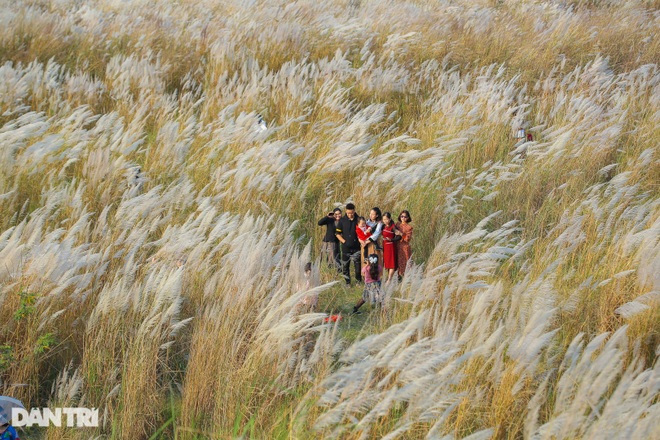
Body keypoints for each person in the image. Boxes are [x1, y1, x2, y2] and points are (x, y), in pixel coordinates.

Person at [335, 203, 362, 285]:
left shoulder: (358, 219)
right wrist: (344, 242)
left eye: (352, 213)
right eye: (348, 213)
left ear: (354, 211)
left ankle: (358, 281)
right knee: (345, 266)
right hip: (346, 248)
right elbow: (337, 234)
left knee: (357, 267)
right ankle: (348, 282)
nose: (350, 215)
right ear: (346, 211)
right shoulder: (342, 221)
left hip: (356, 247)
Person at [381, 212, 400, 283]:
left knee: (391, 263)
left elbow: (399, 236)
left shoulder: (393, 227)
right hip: (385, 246)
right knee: (387, 262)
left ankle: (389, 279)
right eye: (384, 219)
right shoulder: (383, 226)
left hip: (391, 246)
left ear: (390, 219)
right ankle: (389, 277)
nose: (385, 221)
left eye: (386, 219)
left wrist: (391, 239)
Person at [395, 210, 413, 280]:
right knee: (397, 261)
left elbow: (408, 239)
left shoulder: (409, 227)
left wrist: (401, 234)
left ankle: (406, 278)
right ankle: (397, 277)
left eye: (405, 217)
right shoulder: (397, 224)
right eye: (402, 216)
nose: (403, 218)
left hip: (404, 247)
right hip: (397, 245)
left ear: (408, 218)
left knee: (405, 262)